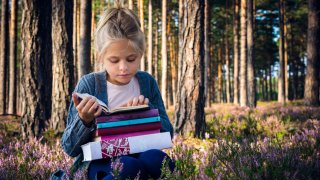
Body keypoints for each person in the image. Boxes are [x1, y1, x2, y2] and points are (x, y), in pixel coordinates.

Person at [61, 1, 174, 179]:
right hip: (100, 161)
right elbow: (69, 148)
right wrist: (84, 120)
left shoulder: (147, 82)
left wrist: (148, 112)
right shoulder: (90, 84)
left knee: (158, 160)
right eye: (114, 60)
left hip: (141, 152)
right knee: (127, 166)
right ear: (101, 57)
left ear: (141, 53)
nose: (123, 68)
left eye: (131, 59)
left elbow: (168, 134)